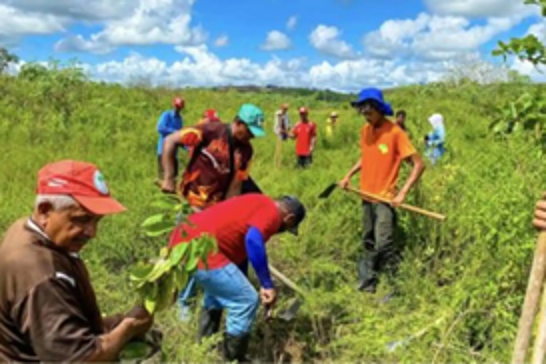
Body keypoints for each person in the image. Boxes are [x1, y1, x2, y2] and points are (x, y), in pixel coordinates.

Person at [0, 160, 154, 362]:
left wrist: (115, 324)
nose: (92, 232)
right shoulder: (41, 275)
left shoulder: (25, 229)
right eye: (81, 219)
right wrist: (128, 328)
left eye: (97, 221)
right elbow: (79, 359)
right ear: (45, 211)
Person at [167, 193, 307, 362]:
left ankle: (204, 348)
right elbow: (253, 240)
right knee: (246, 300)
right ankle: (233, 358)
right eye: (287, 228)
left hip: (184, 245)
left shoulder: (258, 201)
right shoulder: (272, 215)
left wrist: (251, 281)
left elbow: (239, 252)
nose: (281, 231)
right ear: (289, 218)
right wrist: (266, 284)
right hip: (202, 251)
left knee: (221, 293)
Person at [161, 103, 266, 320]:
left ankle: (188, 300)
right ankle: (177, 300)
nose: (252, 137)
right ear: (238, 123)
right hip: (191, 203)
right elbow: (170, 141)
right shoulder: (209, 131)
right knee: (184, 252)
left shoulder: (246, 151)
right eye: (250, 131)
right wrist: (169, 177)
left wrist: (228, 215)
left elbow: (237, 185)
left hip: (214, 211)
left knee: (205, 256)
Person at [339, 87, 425, 293]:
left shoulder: (395, 132)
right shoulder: (365, 131)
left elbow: (419, 164)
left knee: (384, 243)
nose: (366, 117)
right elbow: (366, 156)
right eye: (363, 113)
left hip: (385, 198)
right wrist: (348, 176)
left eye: (369, 113)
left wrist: (402, 193)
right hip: (366, 195)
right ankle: (368, 283)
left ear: (379, 109)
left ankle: (396, 287)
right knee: (368, 240)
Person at [156, 97, 184, 185]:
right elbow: (160, 128)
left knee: (174, 177)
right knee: (164, 177)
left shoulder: (179, 119)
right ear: (173, 105)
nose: (177, 108)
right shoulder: (166, 115)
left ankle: (171, 197)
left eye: (179, 106)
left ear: (182, 107)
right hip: (163, 151)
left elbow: (180, 136)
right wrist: (175, 132)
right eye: (176, 106)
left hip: (174, 153)